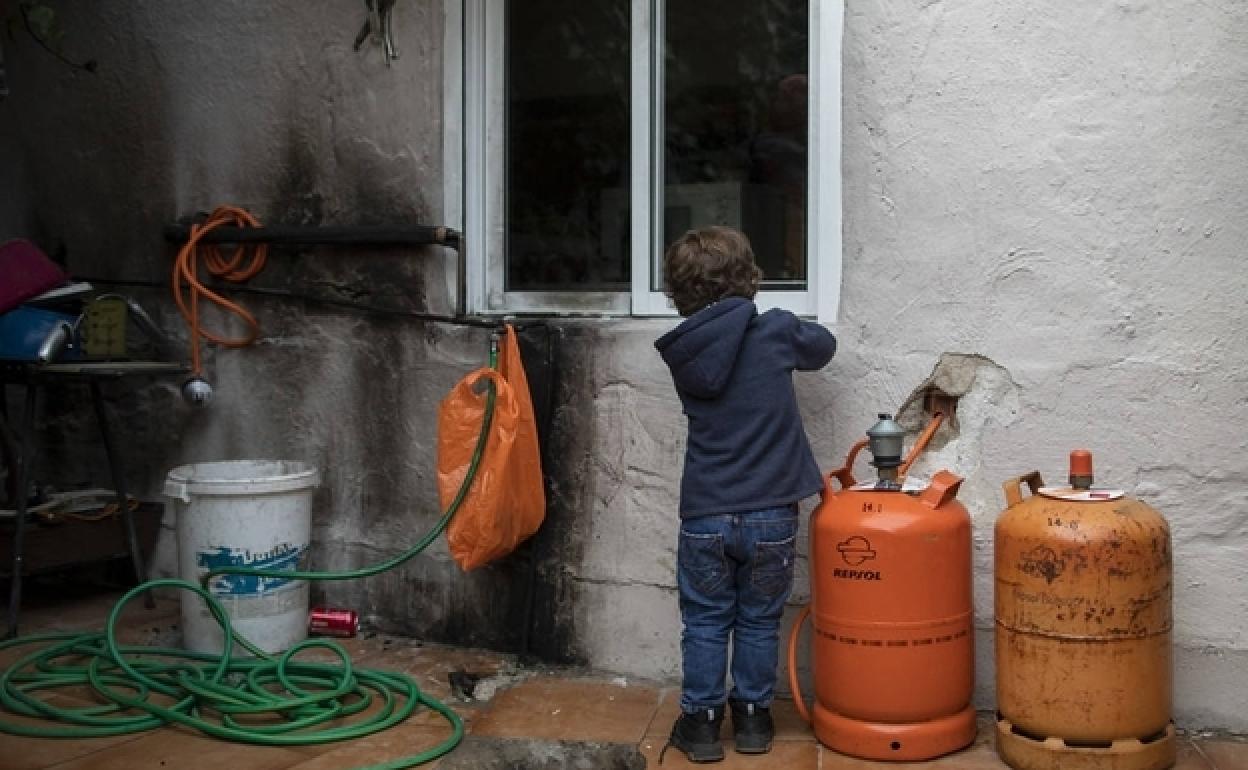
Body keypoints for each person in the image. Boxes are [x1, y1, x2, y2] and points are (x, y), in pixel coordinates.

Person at [654, 226, 836, 762]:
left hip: (707, 512)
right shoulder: (776, 331)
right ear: (749, 278)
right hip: (771, 514)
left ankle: (702, 726)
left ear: (679, 291)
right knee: (758, 619)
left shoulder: (684, 350)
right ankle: (754, 721)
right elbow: (823, 347)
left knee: (707, 620)